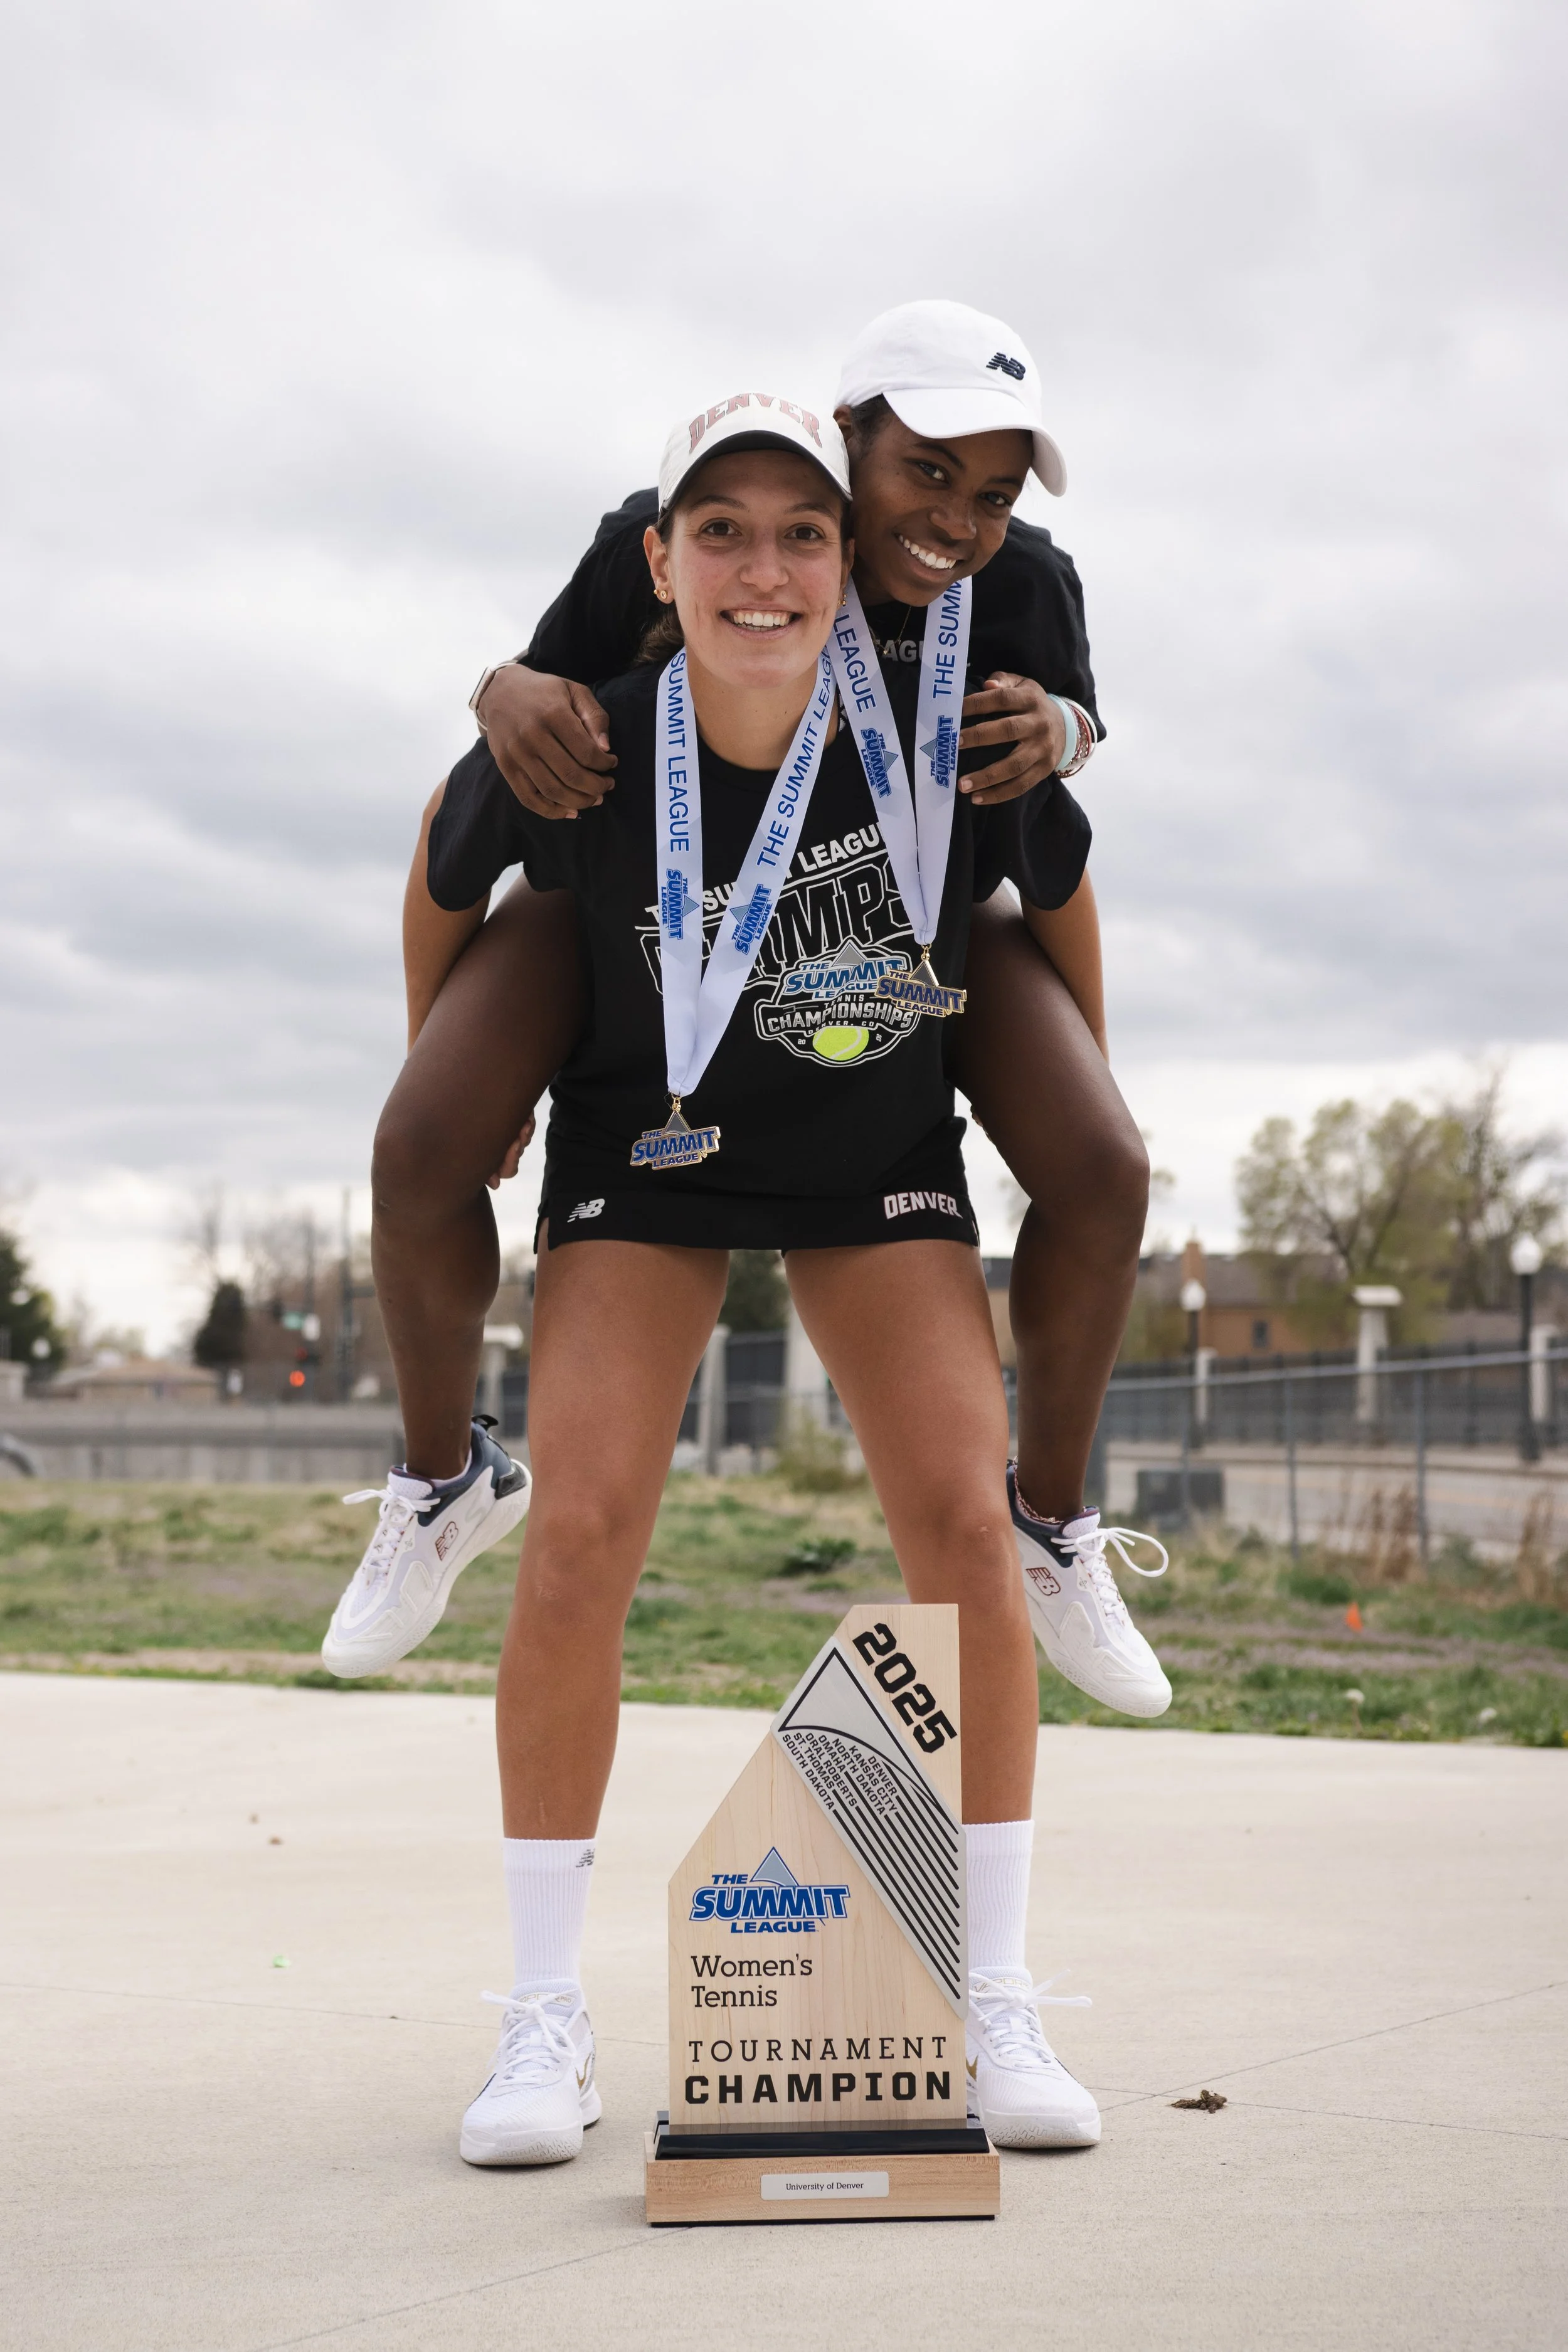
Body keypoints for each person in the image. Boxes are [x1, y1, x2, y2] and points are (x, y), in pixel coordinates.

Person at [415, 395, 1112, 2166]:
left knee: (964, 1526)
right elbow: (438, 870)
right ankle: (539, 2020)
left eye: (802, 534)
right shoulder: (588, 724)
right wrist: (459, 1078)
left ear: (847, 560)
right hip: (649, 1148)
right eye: (718, 531)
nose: (764, 564)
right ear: (656, 558)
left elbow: (1060, 891)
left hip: (870, 1151)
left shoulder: (949, 712)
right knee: (578, 1529)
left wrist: (1065, 1112)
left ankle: (994, 1987)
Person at [338, 302, 1170, 1720]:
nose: (954, 520)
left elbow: (1058, 815)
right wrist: (496, 690)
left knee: (1101, 1164)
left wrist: (1074, 740)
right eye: (924, 474)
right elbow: (514, 733)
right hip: (638, 915)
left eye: (991, 491)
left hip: (903, 913)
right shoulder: (683, 540)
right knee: (418, 1143)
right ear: (847, 446)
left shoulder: (1020, 586)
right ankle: (438, 1483)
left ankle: (1047, 1520)